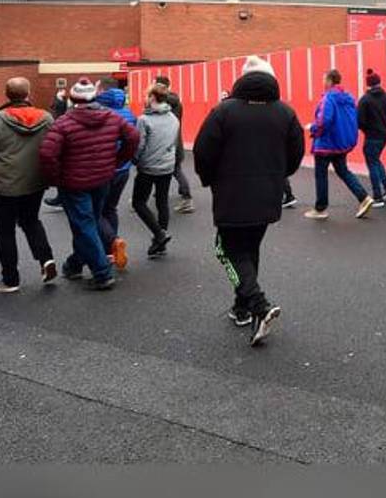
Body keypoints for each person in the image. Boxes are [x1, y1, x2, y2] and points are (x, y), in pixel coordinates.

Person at [193, 55, 304, 345]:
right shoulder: (285, 113)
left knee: (225, 250)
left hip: (230, 193)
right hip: (268, 194)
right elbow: (295, 155)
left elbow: (203, 151)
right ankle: (242, 307)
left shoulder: (224, 111)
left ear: (242, 78)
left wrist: (210, 178)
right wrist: (277, 175)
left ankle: (258, 304)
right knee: (249, 249)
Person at [38, 77, 139, 291]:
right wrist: (118, 160)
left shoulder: (63, 123)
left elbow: (47, 154)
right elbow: (133, 136)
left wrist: (55, 179)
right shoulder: (112, 117)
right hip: (102, 178)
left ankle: (102, 273)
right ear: (94, 96)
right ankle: (74, 264)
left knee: (84, 225)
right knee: (88, 223)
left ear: (73, 98)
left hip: (74, 183)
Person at [0, 78, 57, 291]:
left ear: (7, 95)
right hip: (35, 183)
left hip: (4, 186)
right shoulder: (46, 118)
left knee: (5, 231)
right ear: (28, 94)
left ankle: (11, 279)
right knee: (31, 221)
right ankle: (46, 259)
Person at [304, 69, 374, 221]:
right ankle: (363, 197)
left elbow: (324, 120)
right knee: (343, 171)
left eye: (324, 79)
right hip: (341, 143)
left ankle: (320, 208)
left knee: (321, 175)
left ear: (329, 81)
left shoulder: (328, 98)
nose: (323, 82)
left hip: (326, 144)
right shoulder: (348, 97)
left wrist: (313, 129)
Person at [130, 84, 177, 258]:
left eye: (146, 95)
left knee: (138, 202)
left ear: (152, 98)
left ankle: (159, 234)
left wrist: (134, 160)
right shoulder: (173, 117)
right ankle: (160, 243)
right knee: (162, 201)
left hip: (149, 167)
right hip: (167, 166)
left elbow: (140, 145)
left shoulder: (144, 120)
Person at [96, 77, 135, 271]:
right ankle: (111, 250)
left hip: (106, 169)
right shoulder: (128, 113)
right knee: (111, 209)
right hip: (124, 169)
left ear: (102, 90)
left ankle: (113, 240)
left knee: (96, 213)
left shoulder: (103, 115)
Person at [357, 69, 386, 208]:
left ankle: (377, 196)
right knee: (375, 160)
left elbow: (360, 121)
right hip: (384, 134)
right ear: (379, 82)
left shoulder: (365, 100)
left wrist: (367, 129)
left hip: (372, 135)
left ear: (367, 84)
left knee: (372, 163)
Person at [154, 75, 194, 215]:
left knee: (161, 169)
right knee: (174, 169)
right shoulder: (176, 100)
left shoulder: (163, 102)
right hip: (176, 140)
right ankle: (184, 197)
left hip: (166, 141)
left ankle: (186, 198)